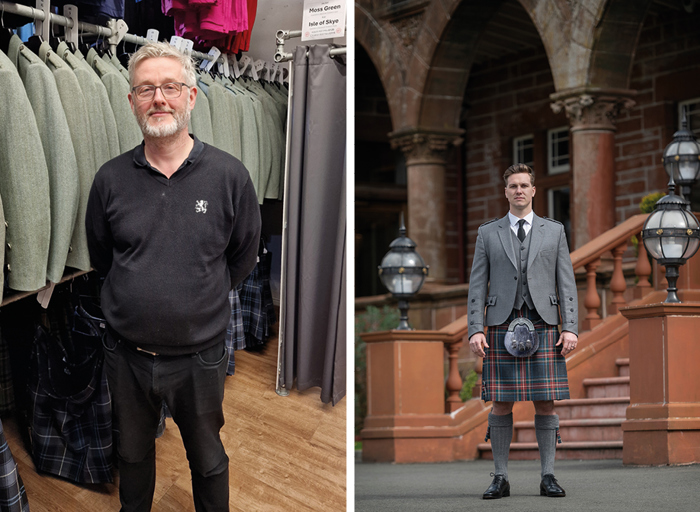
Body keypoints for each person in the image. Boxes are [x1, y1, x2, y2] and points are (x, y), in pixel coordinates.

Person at [85, 42, 261, 512]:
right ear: (131, 101)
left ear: (192, 95)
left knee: (207, 459)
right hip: (127, 355)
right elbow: (103, 257)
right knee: (133, 454)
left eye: (170, 86)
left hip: (199, 358)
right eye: (146, 89)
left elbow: (242, 256)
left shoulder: (230, 176)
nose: (158, 98)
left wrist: (197, 298)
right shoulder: (109, 180)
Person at [467, 163, 578, 500]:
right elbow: (476, 285)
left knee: (545, 402)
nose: (518, 190)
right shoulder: (488, 233)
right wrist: (475, 328)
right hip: (501, 325)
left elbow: (567, 282)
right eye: (512, 186)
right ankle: (500, 477)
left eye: (524, 185)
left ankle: (548, 476)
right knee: (501, 403)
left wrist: (570, 326)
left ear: (533, 190)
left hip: (544, 323)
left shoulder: (554, 231)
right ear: (506, 192)